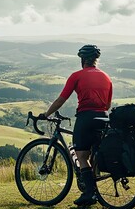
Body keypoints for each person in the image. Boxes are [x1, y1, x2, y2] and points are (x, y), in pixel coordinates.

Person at [42, 44, 113, 206]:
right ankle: (93, 184)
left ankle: (89, 193)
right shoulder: (107, 77)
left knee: (81, 156)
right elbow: (107, 105)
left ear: (82, 60)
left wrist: (46, 114)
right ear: (96, 60)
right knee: (93, 152)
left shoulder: (76, 76)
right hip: (103, 117)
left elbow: (61, 100)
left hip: (86, 117)